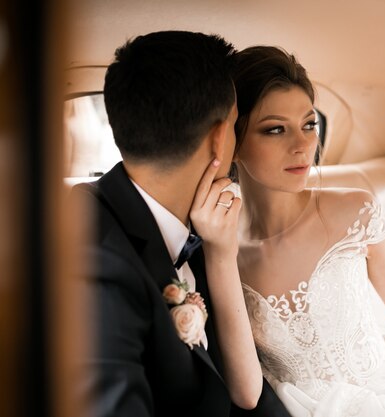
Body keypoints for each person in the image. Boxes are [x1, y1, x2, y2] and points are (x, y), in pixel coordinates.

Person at [231, 45, 385, 417]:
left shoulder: (354, 210)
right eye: (275, 129)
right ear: (232, 141)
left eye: (309, 124)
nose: (302, 146)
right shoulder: (218, 248)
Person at [72, 31, 291, 417]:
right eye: (237, 126)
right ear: (220, 137)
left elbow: (248, 397)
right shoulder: (91, 258)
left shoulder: (199, 222)